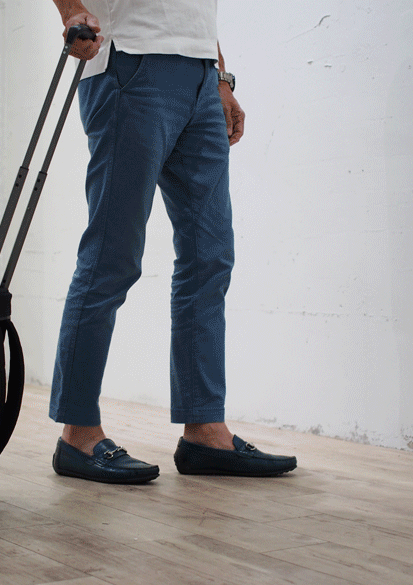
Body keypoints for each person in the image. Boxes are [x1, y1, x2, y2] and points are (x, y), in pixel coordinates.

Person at [49, 0, 296, 483]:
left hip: (202, 77)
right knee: (111, 257)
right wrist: (72, 11)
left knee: (210, 257)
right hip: (130, 64)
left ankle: (205, 429)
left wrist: (220, 77)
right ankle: (77, 432)